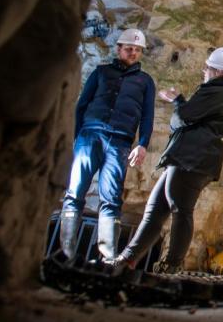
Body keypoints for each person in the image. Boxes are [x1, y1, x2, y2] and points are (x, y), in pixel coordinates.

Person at [108, 46, 223, 274]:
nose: (204, 70)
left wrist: (178, 101)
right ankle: (127, 259)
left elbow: (182, 118)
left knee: (180, 209)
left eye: (208, 67)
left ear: (219, 72)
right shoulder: (215, 93)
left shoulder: (215, 93)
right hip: (186, 158)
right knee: (156, 209)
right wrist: (180, 103)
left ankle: (171, 265)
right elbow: (187, 116)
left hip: (193, 159)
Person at [56, 28, 156, 263]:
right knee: (74, 192)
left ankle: (107, 256)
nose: (133, 53)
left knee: (111, 198)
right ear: (119, 49)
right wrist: (76, 136)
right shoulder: (101, 73)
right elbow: (82, 105)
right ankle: (66, 253)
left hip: (120, 142)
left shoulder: (145, 82)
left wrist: (142, 144)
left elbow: (147, 116)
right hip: (90, 135)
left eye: (138, 50)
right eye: (129, 48)